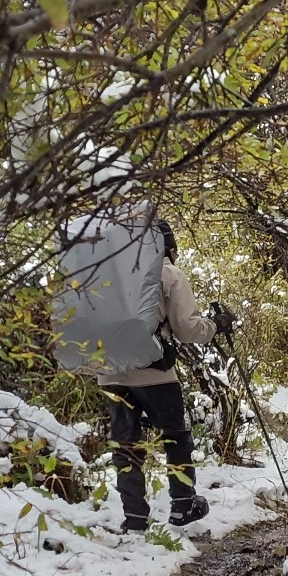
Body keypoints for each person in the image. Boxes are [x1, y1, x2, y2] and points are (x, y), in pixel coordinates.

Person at [98, 218, 235, 532]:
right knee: (175, 437)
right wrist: (217, 325)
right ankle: (183, 505)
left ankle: (134, 518)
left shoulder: (108, 275)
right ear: (167, 248)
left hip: (109, 373)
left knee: (126, 446)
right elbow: (187, 329)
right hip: (155, 374)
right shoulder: (168, 274)